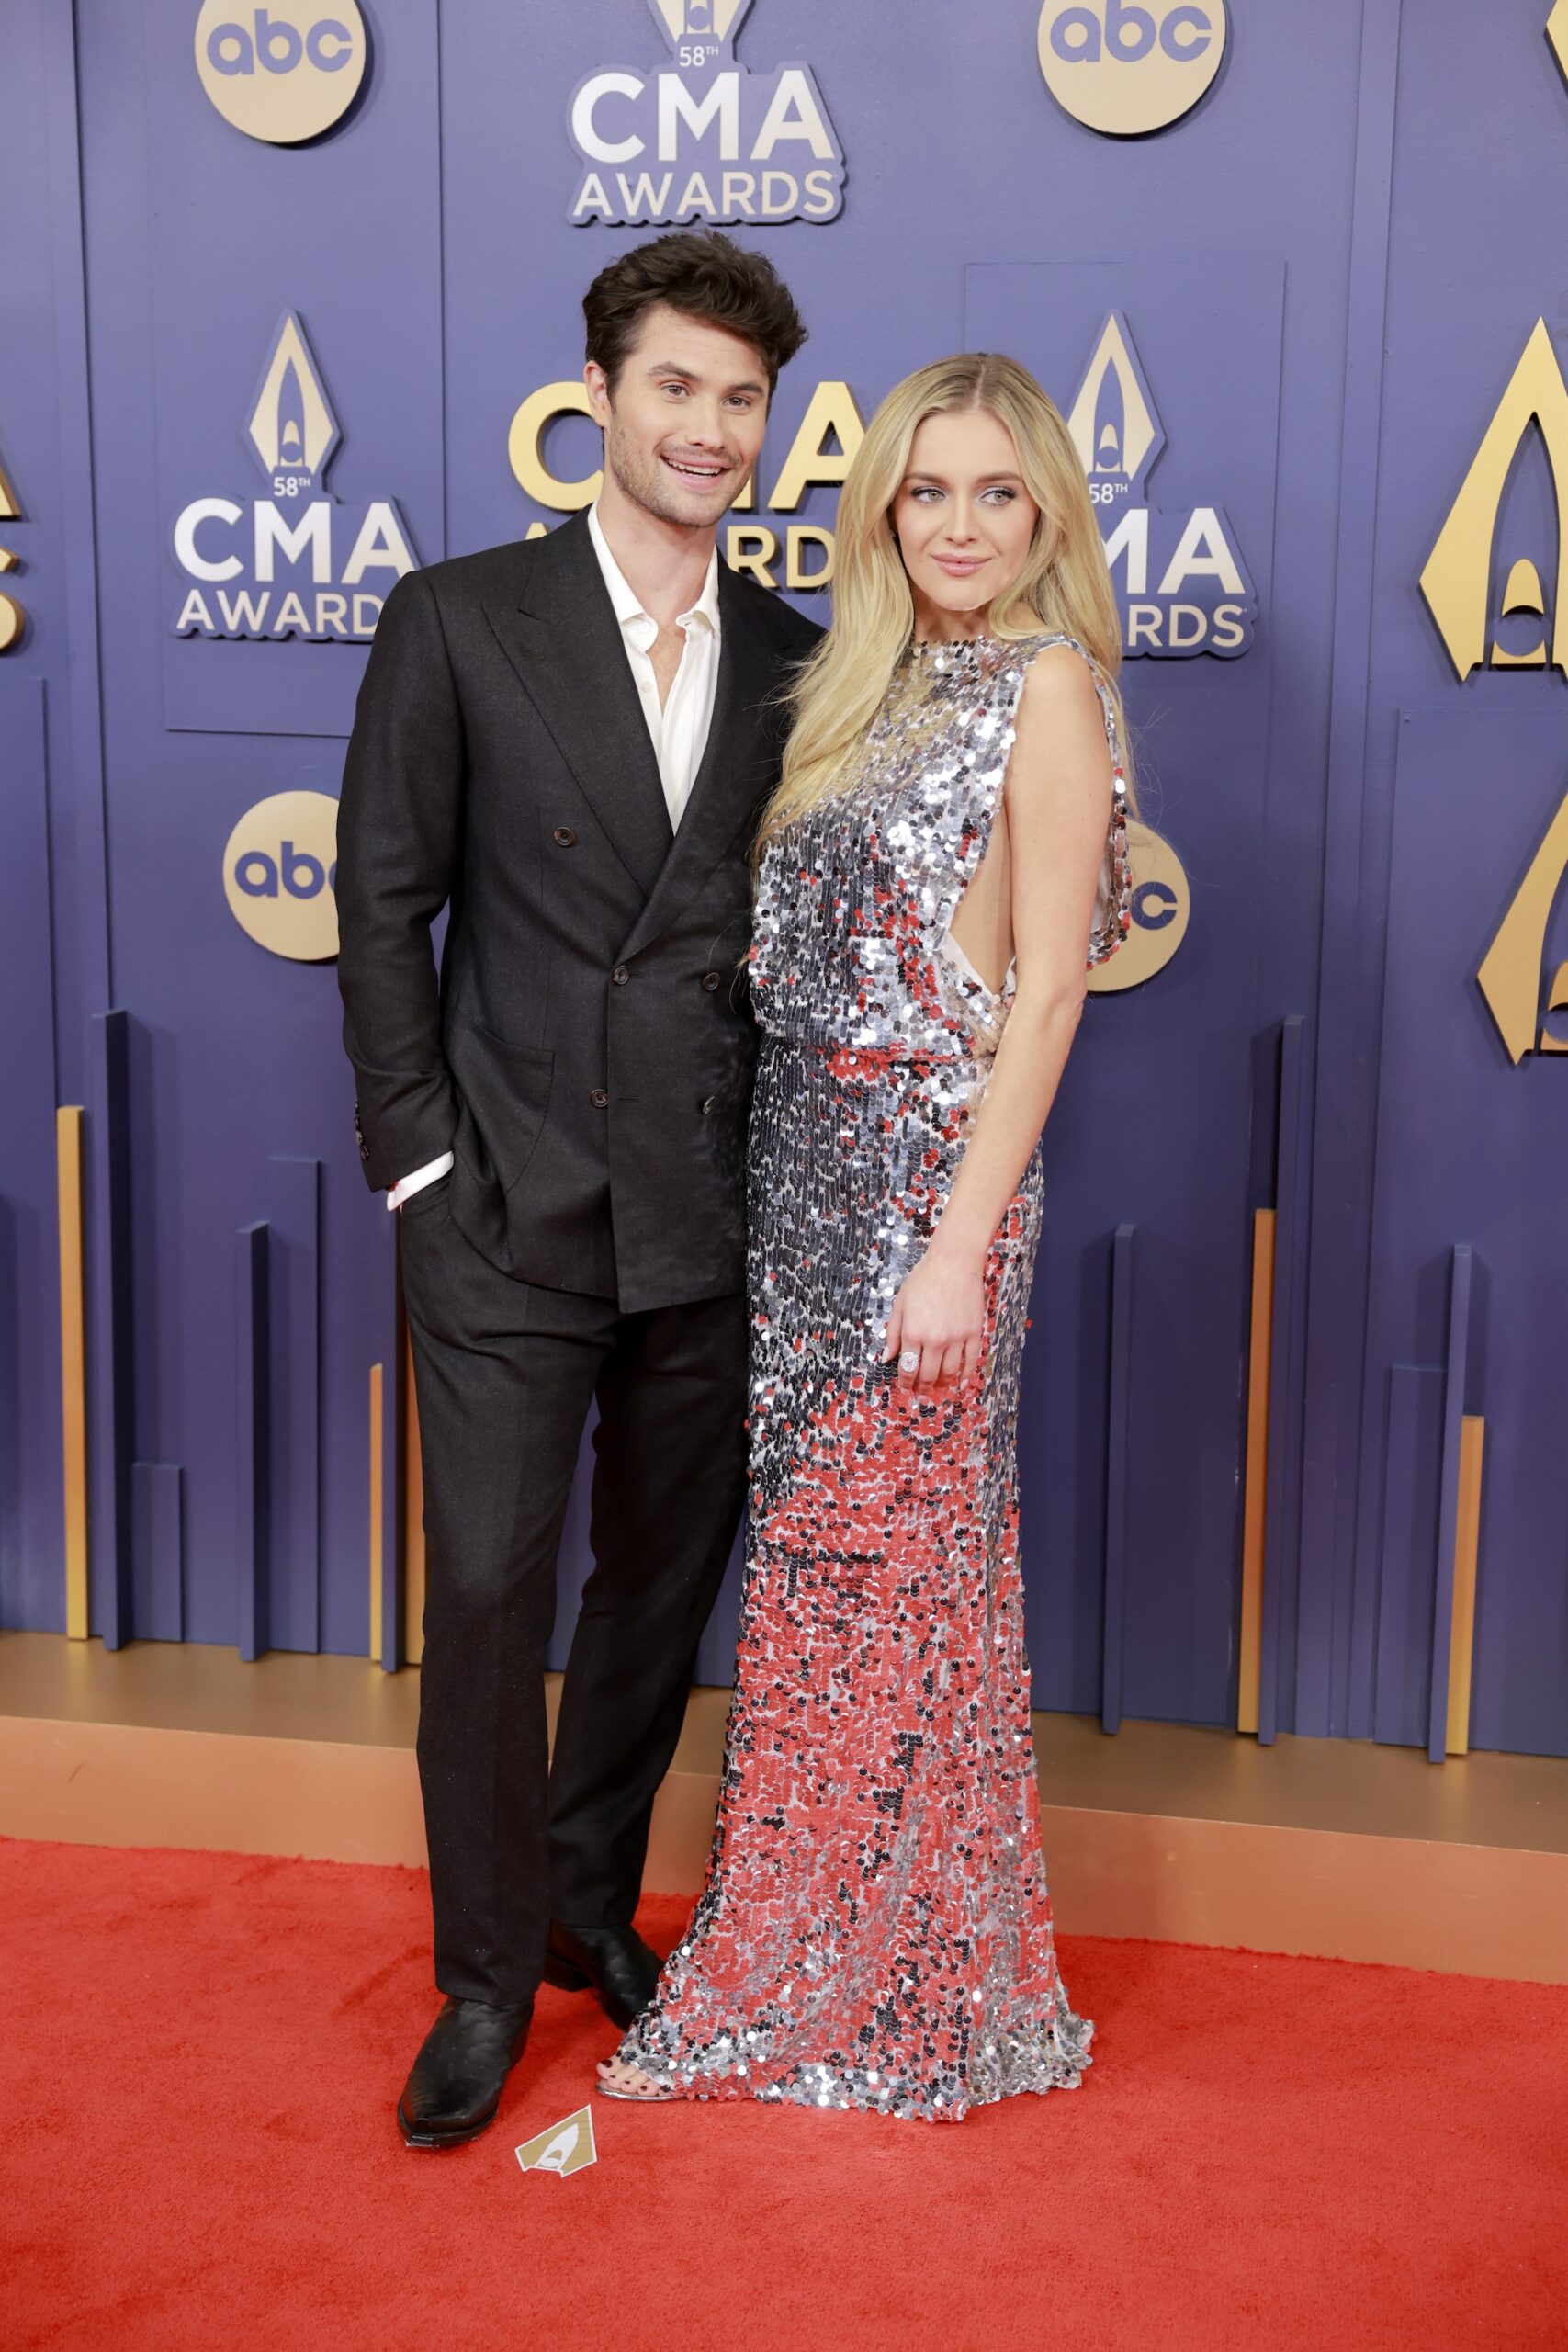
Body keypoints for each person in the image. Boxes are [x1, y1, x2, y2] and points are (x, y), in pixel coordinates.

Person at [598, 352, 1134, 2120]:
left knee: (899, 1584)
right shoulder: (866, 687)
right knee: (830, 1594)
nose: (963, 525)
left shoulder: (1048, 687)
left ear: (1047, 507)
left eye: (999, 492)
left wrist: (955, 1247)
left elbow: (1048, 993)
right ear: (883, 506)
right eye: (929, 491)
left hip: (926, 1189)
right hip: (801, 1186)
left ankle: (896, 1990)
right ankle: (831, 1945)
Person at [334, 230, 818, 2149]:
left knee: (652, 1591)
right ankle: (475, 1979)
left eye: (740, 398)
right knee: (484, 1590)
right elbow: (381, 910)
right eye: (676, 389)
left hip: (707, 1212)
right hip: (502, 1206)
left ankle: (580, 1904)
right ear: (598, 398)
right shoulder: (458, 618)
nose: (707, 429)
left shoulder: (797, 652)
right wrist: (419, 1163)